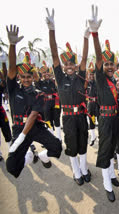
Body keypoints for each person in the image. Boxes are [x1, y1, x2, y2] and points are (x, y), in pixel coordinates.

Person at [5, 25, 62, 178]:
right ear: (19, 77)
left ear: (32, 77)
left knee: (57, 148)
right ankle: (29, 157)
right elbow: (11, 68)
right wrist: (12, 45)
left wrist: (21, 139)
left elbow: (33, 115)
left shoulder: (38, 94)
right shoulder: (13, 90)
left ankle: (42, 156)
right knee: (11, 167)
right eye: (22, 76)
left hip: (34, 127)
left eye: (28, 77)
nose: (25, 79)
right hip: (18, 128)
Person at [46, 8, 91, 185]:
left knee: (83, 143)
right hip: (69, 118)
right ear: (63, 66)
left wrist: (86, 37)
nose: (69, 65)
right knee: (72, 145)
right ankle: (77, 172)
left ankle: (85, 168)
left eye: (71, 63)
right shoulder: (60, 77)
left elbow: (86, 57)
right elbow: (54, 54)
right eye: (66, 64)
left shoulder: (81, 76)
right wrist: (52, 29)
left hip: (81, 116)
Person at [88, 7, 119, 201]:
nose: (109, 67)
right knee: (104, 151)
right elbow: (99, 58)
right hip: (105, 119)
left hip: (115, 118)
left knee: (113, 148)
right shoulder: (100, 80)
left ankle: (112, 175)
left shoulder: (113, 81)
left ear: (116, 67)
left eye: (112, 64)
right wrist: (95, 34)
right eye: (106, 64)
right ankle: (106, 184)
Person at [35, 61, 61, 141]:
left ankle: (59, 138)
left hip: (55, 103)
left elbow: (58, 78)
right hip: (46, 104)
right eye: (44, 73)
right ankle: (52, 138)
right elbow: (35, 78)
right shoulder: (40, 83)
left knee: (57, 120)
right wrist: (33, 69)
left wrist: (52, 74)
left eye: (47, 72)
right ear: (41, 74)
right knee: (48, 120)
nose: (46, 74)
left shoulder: (54, 82)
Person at [85, 62, 98, 146]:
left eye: (93, 74)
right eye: (90, 75)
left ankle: (100, 137)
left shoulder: (98, 83)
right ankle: (93, 137)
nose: (91, 76)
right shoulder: (86, 83)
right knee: (91, 120)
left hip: (98, 103)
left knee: (100, 120)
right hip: (90, 103)